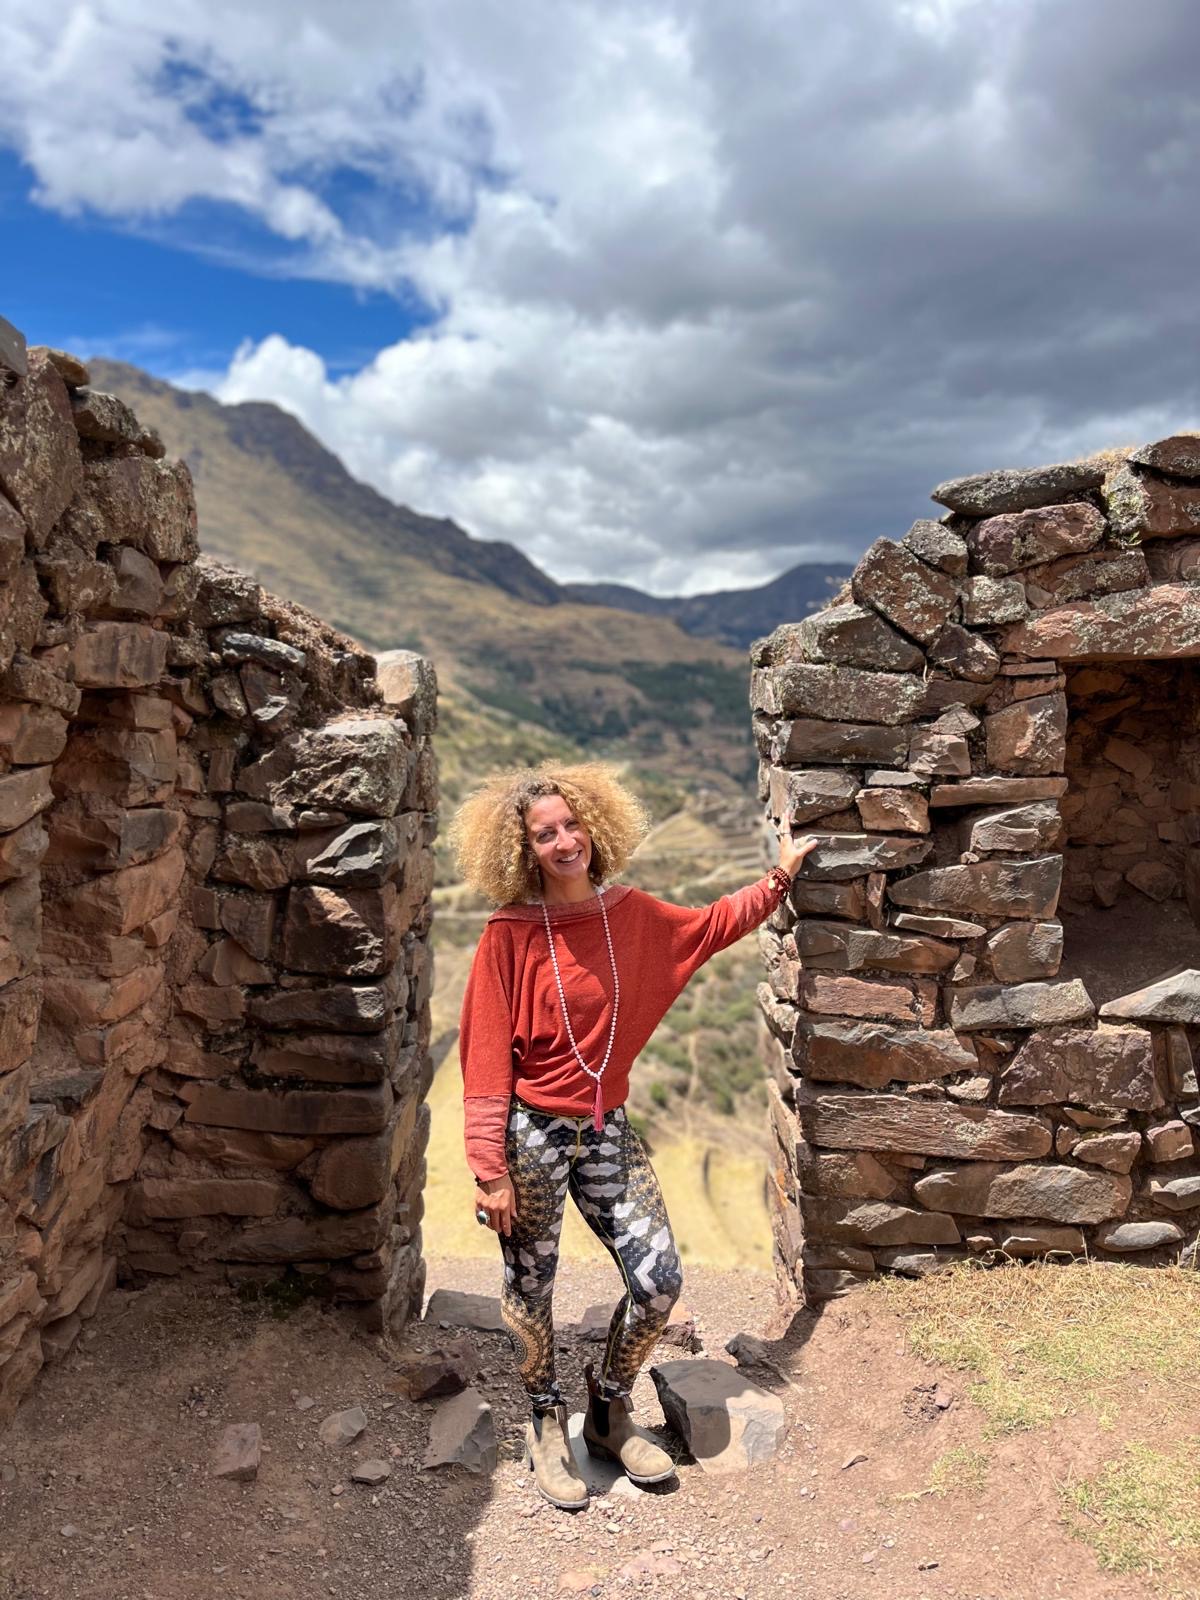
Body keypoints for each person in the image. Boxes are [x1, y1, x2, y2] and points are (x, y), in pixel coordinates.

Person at [450, 762, 816, 1510]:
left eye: (571, 825)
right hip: (530, 1136)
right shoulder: (508, 936)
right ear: (522, 850)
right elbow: (484, 1057)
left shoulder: (632, 914)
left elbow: (709, 927)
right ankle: (545, 1421)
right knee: (532, 1283)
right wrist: (490, 1169)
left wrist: (779, 879)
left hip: (604, 1126)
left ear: (594, 826)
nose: (564, 842)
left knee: (658, 1280)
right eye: (544, 834)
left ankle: (609, 1412)